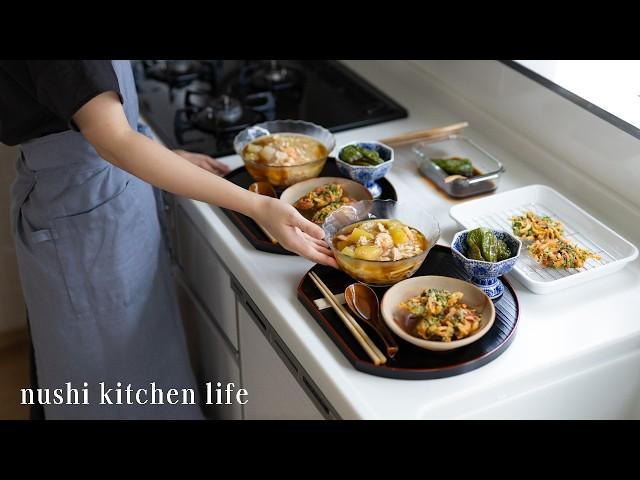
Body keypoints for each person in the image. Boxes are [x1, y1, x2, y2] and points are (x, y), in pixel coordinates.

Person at [0, 60, 337, 420]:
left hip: (106, 195)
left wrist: (152, 151)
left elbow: (98, 121)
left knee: (142, 373)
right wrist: (258, 205)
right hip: (84, 213)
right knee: (108, 390)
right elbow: (112, 140)